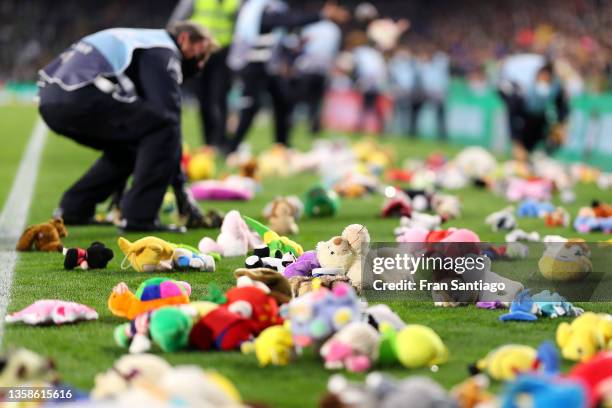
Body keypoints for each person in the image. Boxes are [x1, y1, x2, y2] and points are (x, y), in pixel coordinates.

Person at [38, 21, 217, 232]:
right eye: (201, 53)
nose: (201, 64)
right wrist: (181, 190)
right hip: (81, 95)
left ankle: (74, 208)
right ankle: (139, 218)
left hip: (50, 100)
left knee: (132, 146)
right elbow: (169, 118)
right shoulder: (163, 49)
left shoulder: (141, 39)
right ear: (184, 38)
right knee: (164, 126)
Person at [226, 0, 348, 152]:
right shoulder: (260, 6)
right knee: (250, 108)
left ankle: (281, 147)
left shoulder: (274, 6)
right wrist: (321, 15)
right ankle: (231, 148)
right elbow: (285, 20)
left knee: (283, 103)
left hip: (269, 67)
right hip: (253, 64)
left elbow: (284, 29)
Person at [171, 0, 241, 149]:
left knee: (220, 97)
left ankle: (221, 142)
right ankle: (208, 142)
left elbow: (241, 26)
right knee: (203, 98)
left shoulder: (235, 2)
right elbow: (176, 23)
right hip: (199, 53)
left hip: (223, 53)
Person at [499, 54, 569, 161]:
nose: (544, 80)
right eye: (542, 76)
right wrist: (516, 143)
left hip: (539, 116)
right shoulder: (522, 88)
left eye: (547, 78)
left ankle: (540, 158)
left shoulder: (556, 86)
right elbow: (512, 114)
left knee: (551, 139)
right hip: (523, 115)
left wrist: (561, 124)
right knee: (521, 149)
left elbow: (562, 106)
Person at [293, 19, 342, 134]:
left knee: (299, 98)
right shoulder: (334, 29)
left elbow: (301, 44)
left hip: (307, 69)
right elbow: (334, 50)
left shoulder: (311, 26)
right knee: (316, 101)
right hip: (323, 70)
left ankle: (293, 123)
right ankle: (313, 126)